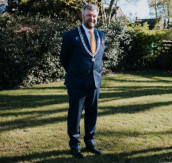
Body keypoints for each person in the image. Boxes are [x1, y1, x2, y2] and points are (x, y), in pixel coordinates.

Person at [60, 4, 105, 159]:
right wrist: (76, 73)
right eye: (88, 15)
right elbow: (64, 59)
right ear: (82, 16)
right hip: (77, 83)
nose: (91, 18)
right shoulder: (71, 35)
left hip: (94, 83)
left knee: (92, 114)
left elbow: (97, 58)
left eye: (94, 16)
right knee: (75, 115)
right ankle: (74, 145)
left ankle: (90, 142)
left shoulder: (101, 35)